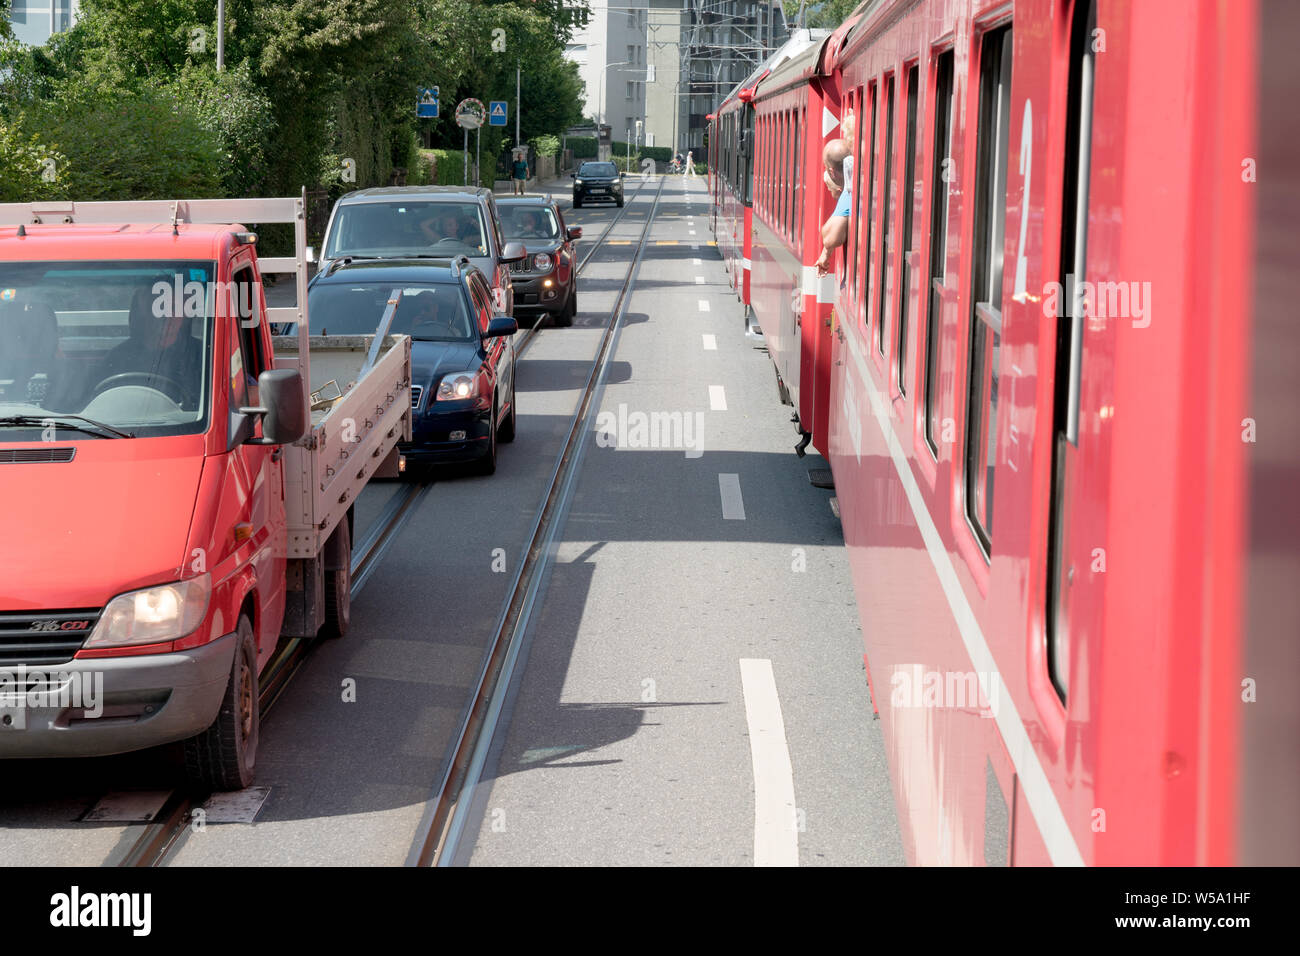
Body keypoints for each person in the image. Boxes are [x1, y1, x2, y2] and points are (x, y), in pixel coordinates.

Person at [95, 285, 203, 406]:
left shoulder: (203, 357)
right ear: (142, 313)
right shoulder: (116, 359)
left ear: (185, 315)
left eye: (173, 307)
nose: (165, 315)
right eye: (159, 307)